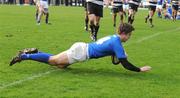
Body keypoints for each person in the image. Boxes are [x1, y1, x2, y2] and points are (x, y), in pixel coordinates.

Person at [10, 23, 151, 72]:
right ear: (124, 34)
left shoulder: (114, 39)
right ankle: (23, 56)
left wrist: (117, 56)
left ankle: (36, 52)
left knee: (60, 66)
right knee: (53, 61)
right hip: (81, 52)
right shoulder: (117, 43)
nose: (130, 37)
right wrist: (139, 69)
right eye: (130, 35)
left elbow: (115, 60)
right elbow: (124, 64)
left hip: (82, 49)